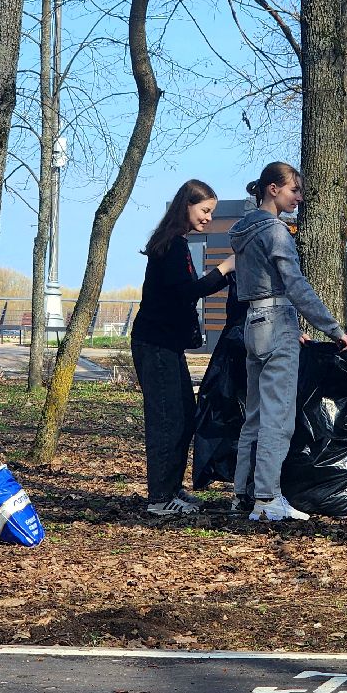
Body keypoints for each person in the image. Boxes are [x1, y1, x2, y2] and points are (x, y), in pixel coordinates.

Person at [229, 162, 347, 522]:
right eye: (293, 190)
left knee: (253, 415)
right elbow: (296, 285)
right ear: (272, 189)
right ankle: (267, 499)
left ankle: (242, 494)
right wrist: (332, 328)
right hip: (277, 320)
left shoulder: (243, 232)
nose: (298, 197)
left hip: (252, 323)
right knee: (278, 417)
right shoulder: (276, 232)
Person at [130, 180, 235, 517]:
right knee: (167, 420)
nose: (208, 218)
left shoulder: (177, 245)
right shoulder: (172, 246)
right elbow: (189, 292)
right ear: (186, 206)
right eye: (205, 211)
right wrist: (227, 267)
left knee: (183, 416)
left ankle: (172, 488)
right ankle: (160, 498)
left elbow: (188, 290)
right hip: (155, 344)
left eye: (211, 213)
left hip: (166, 345)